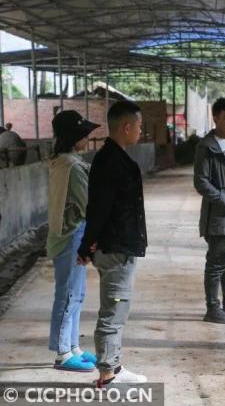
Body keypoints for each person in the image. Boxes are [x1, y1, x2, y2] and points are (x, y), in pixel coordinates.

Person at [78, 100, 148, 386]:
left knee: (117, 307)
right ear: (126, 127)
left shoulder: (114, 159)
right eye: (140, 126)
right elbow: (98, 209)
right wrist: (87, 245)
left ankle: (113, 366)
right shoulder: (111, 162)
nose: (141, 132)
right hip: (116, 248)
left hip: (120, 245)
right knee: (114, 309)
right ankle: (107, 372)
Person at [47, 110, 100, 372]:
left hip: (65, 234)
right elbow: (88, 205)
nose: (88, 138)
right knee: (68, 295)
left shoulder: (60, 161)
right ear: (74, 136)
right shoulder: (74, 167)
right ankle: (62, 354)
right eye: (85, 134)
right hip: (72, 235)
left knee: (76, 294)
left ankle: (73, 346)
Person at [193, 98, 225, 324]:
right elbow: (201, 182)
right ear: (215, 118)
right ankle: (213, 307)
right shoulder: (207, 147)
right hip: (219, 215)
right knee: (216, 263)